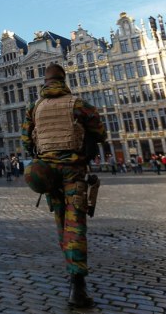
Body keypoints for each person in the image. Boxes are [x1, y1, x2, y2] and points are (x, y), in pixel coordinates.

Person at [22, 63, 107, 308]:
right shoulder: (77, 104)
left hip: (48, 173)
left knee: (61, 220)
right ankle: (77, 284)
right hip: (72, 172)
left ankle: (71, 268)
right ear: (63, 80)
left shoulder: (34, 107)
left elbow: (27, 141)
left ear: (45, 83)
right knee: (76, 223)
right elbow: (100, 132)